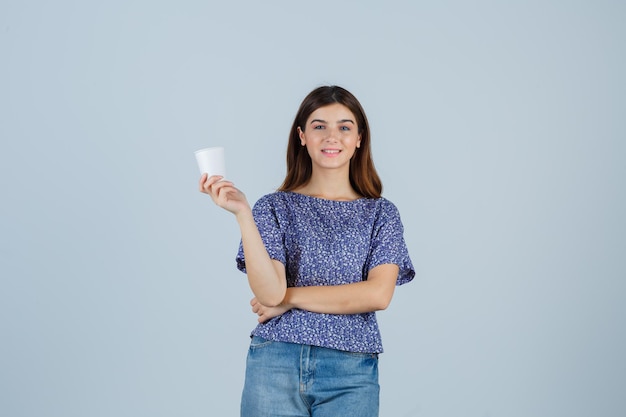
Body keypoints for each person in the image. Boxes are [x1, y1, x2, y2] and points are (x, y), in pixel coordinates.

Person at [199, 85, 415, 417]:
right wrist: (242, 212)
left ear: (359, 138)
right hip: (275, 362)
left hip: (350, 369)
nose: (332, 137)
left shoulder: (381, 214)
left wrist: (290, 298)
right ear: (302, 136)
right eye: (319, 126)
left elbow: (378, 294)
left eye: (344, 127)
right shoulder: (272, 207)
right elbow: (269, 293)